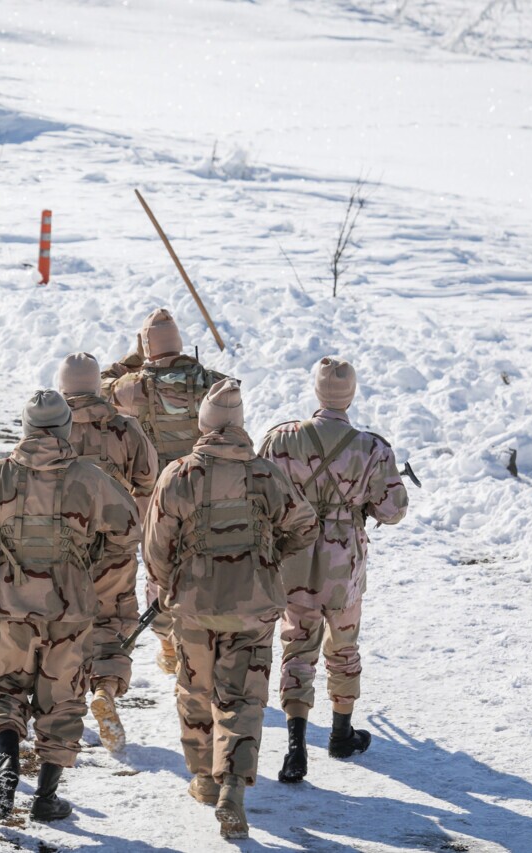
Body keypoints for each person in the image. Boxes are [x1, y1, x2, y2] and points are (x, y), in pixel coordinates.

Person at [0, 390, 141, 821]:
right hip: (69, 610)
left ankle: (7, 762)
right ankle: (46, 796)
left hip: (8, 607)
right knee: (63, 699)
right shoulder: (88, 478)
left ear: (25, 427)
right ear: (65, 429)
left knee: (1, 689)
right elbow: (129, 530)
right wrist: (93, 560)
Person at [143, 379, 317, 839]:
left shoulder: (178, 474)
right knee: (242, 700)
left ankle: (202, 777)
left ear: (203, 425)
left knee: (195, 690)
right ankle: (233, 787)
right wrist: (269, 554)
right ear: (239, 426)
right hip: (254, 607)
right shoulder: (266, 474)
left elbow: (155, 546)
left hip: (195, 608)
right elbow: (304, 525)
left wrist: (168, 586)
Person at [258, 357, 409, 783]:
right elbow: (393, 510)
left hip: (295, 556)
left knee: (296, 646)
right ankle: (341, 735)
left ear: (316, 391)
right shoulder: (372, 448)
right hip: (344, 565)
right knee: (343, 648)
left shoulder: (281, 438)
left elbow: (260, 494)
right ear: (352, 394)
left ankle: (295, 751)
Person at [106, 308, 229, 675]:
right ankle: (208, 641)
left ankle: (166, 641)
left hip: (156, 496)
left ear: (147, 347)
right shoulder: (210, 380)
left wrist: (130, 361)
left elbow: (92, 391)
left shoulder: (132, 386)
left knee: (160, 569)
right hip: (205, 490)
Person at [56, 352, 158, 752]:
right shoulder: (125, 427)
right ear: (98, 384)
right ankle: (105, 689)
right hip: (114, 543)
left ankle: (63, 701)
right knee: (112, 621)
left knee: (61, 622)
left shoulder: (49, 427)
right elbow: (148, 480)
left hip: (58, 545)